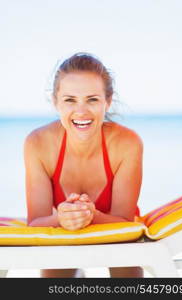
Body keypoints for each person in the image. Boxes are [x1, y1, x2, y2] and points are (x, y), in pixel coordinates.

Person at [24, 52, 143, 278]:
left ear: (107, 101)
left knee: (127, 265)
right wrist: (61, 218)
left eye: (92, 99)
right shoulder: (38, 144)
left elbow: (125, 222)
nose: (81, 111)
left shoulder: (127, 144)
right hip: (63, 229)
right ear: (55, 102)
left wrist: (90, 215)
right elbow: (36, 223)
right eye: (70, 100)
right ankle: (77, 276)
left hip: (115, 233)